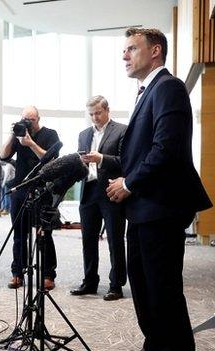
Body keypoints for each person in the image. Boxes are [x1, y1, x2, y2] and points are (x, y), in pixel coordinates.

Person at [106, 27, 212, 351]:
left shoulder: (169, 87)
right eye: (124, 50)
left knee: (162, 297)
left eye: (131, 48)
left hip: (160, 210)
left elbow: (166, 148)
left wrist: (129, 182)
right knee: (145, 294)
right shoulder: (145, 92)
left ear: (155, 51)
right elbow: (138, 152)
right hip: (142, 211)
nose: (124, 55)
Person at [70, 95, 127, 301]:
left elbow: (125, 161)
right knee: (88, 240)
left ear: (107, 110)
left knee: (115, 239)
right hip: (89, 191)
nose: (95, 117)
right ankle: (90, 282)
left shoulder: (121, 130)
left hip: (111, 191)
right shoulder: (83, 134)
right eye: (91, 114)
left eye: (98, 113)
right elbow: (79, 161)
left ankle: (116, 285)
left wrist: (101, 158)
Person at [0, 106, 60, 291]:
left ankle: (48, 274)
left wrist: (31, 144)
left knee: (44, 233)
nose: (28, 123)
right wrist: (13, 134)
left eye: (31, 120)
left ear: (38, 119)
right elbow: (3, 155)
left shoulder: (50, 134)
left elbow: (51, 159)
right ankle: (18, 272)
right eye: (25, 119)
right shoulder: (19, 134)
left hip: (43, 188)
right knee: (19, 234)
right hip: (21, 189)